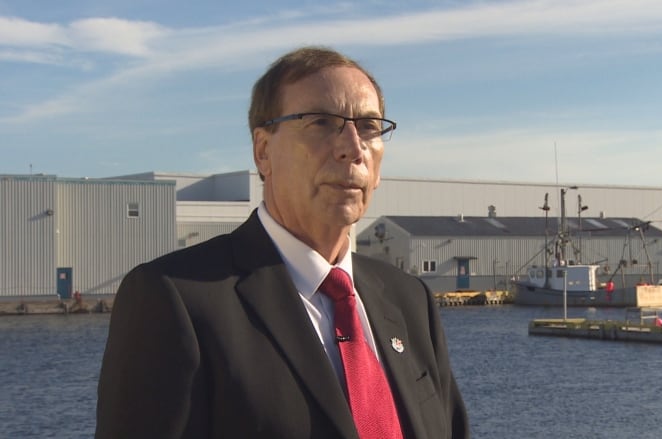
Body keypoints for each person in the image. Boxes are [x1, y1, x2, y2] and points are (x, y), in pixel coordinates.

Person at [95, 46, 470, 438]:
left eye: (369, 127)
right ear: (263, 152)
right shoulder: (176, 300)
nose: (353, 148)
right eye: (322, 122)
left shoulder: (410, 301)